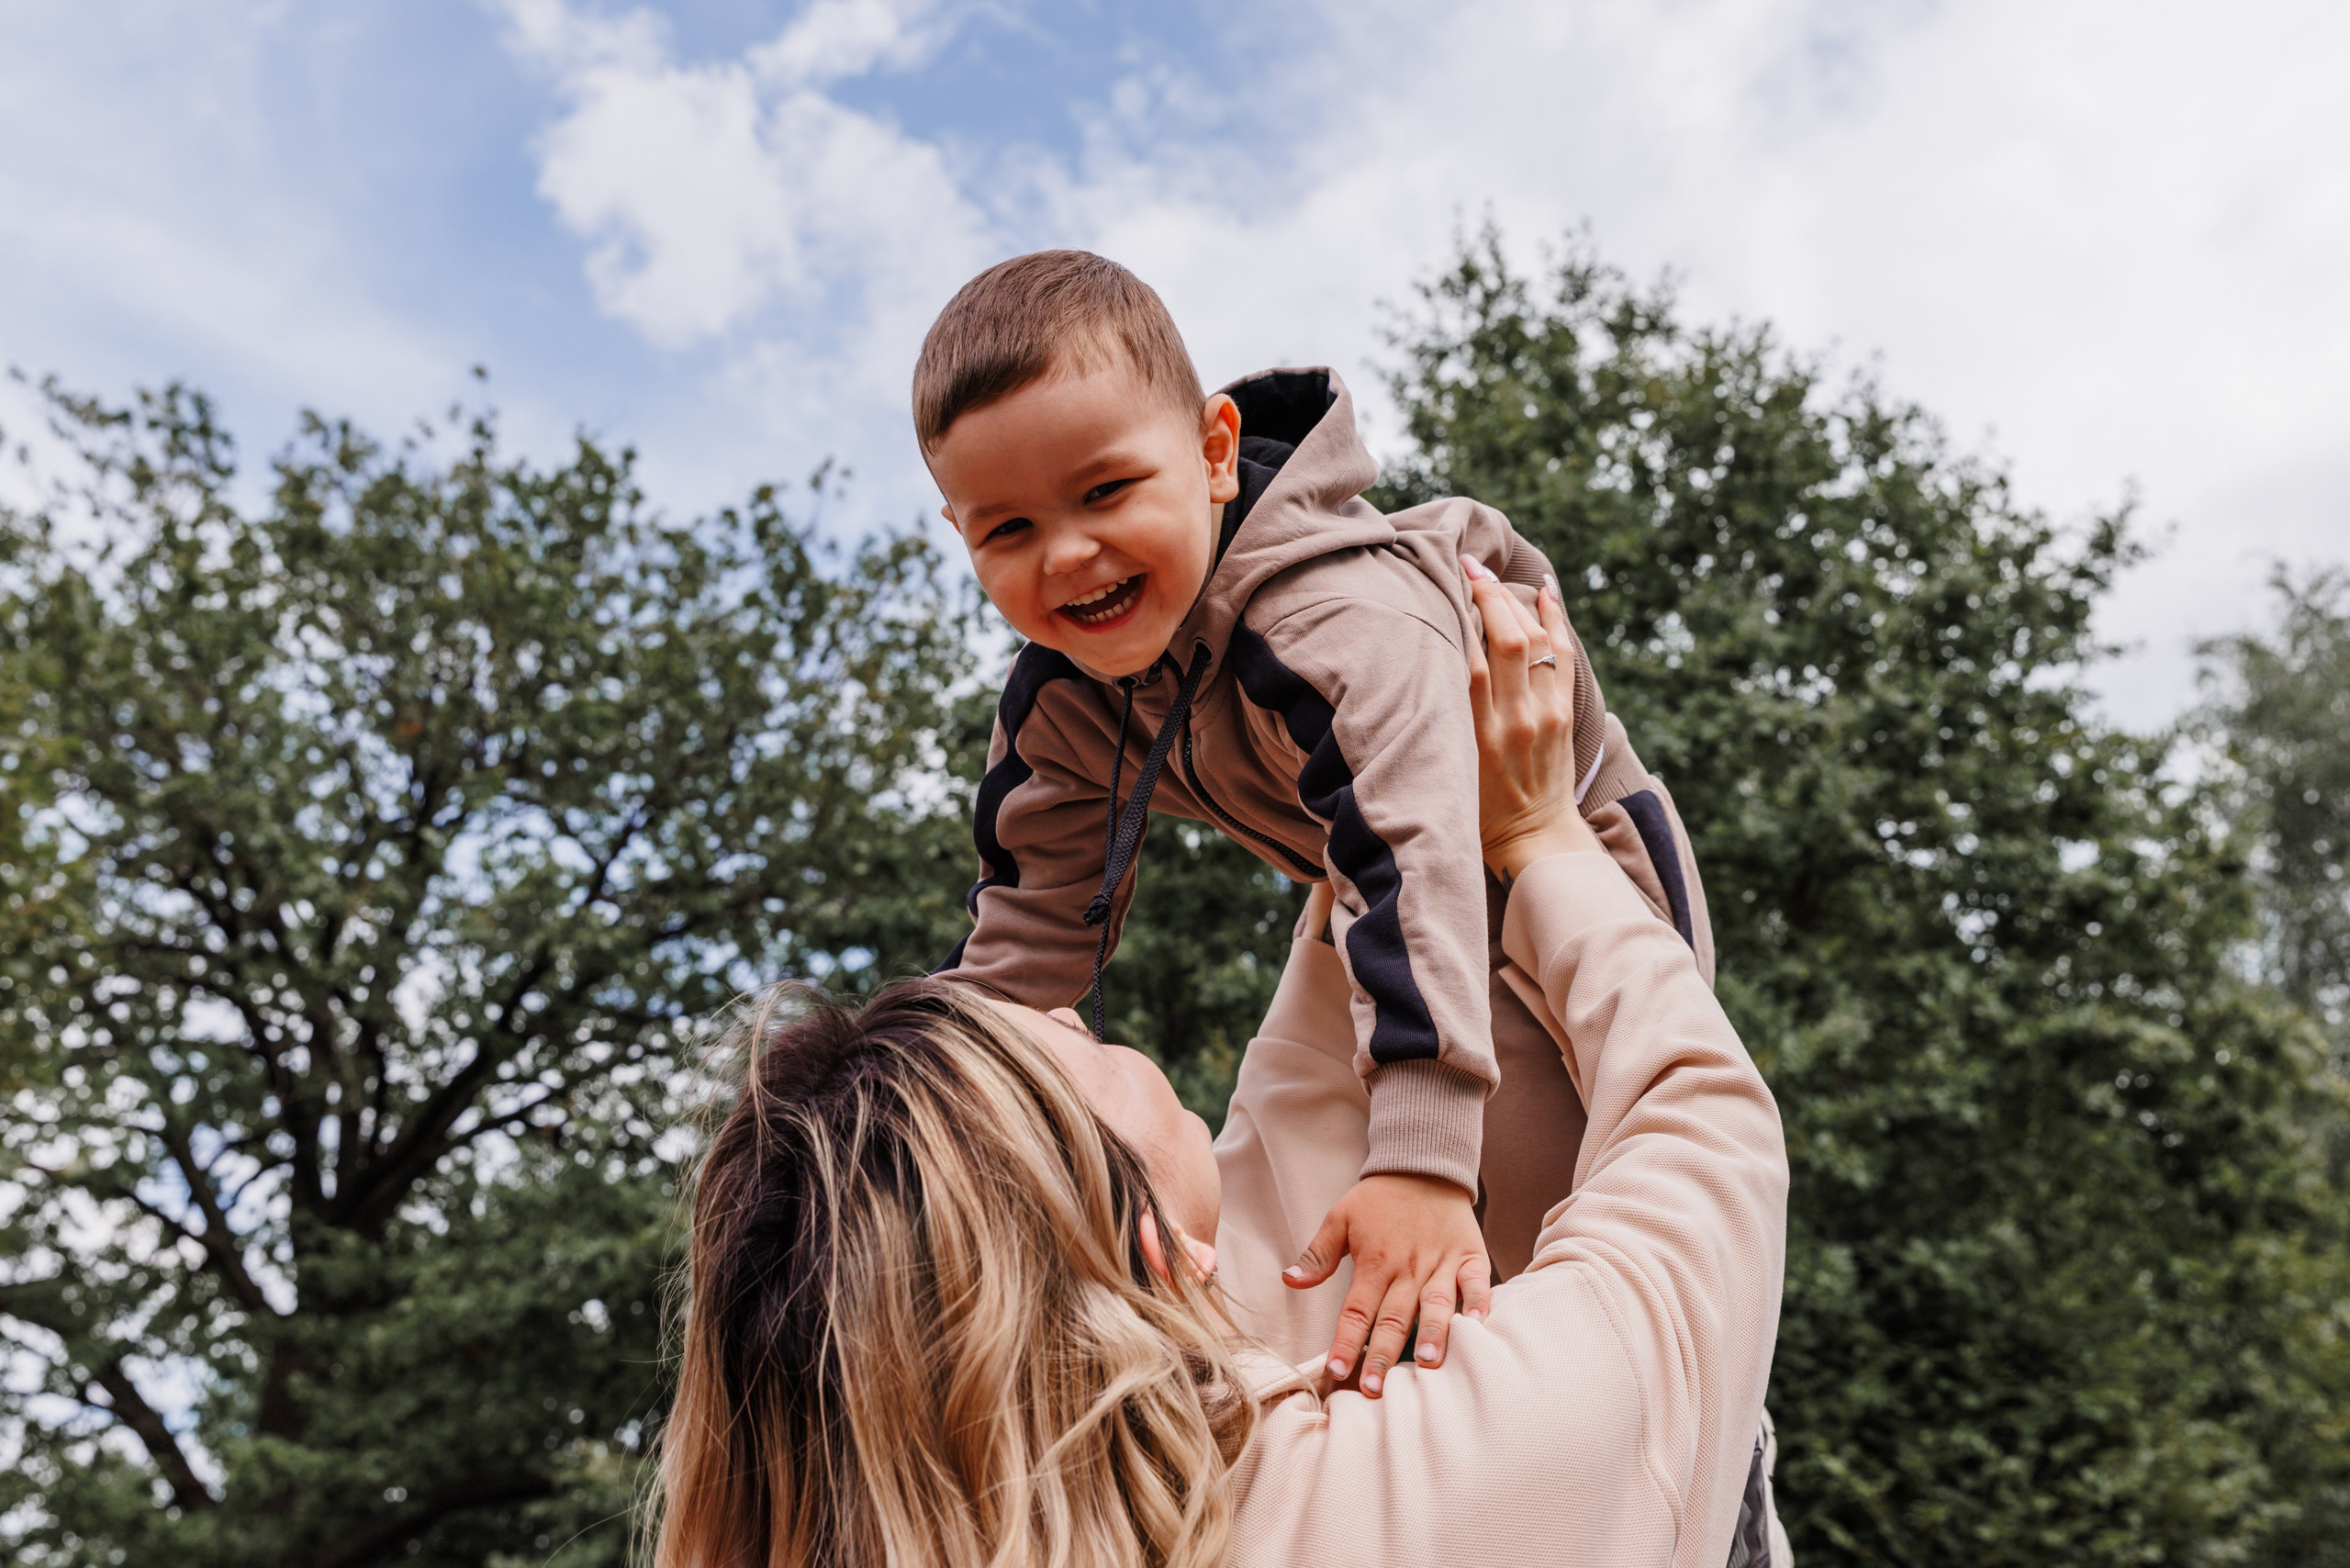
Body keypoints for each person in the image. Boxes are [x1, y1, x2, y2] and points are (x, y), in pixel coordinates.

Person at [651, 578, 1789, 1567]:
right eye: (1074, 1044)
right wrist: (1540, 832)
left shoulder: (1053, 1481)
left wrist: (1393, 823)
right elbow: (1704, 1141)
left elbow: (1304, 1116)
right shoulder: (1446, 1478)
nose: (1059, 1006)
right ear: (1149, 1245)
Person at [920, 248, 1714, 1384]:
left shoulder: (1330, 614)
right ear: (962, 534)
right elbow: (1022, 947)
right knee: (1365, 1273)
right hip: (1397, 931)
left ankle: (1705, 1470)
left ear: (1211, 453)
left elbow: (1414, 849)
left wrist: (1425, 1159)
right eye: (1008, 531)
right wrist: (928, 1132)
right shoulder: (1066, 698)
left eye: (1104, 493)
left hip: (1562, 867)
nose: (1069, 556)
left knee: (1548, 1249)